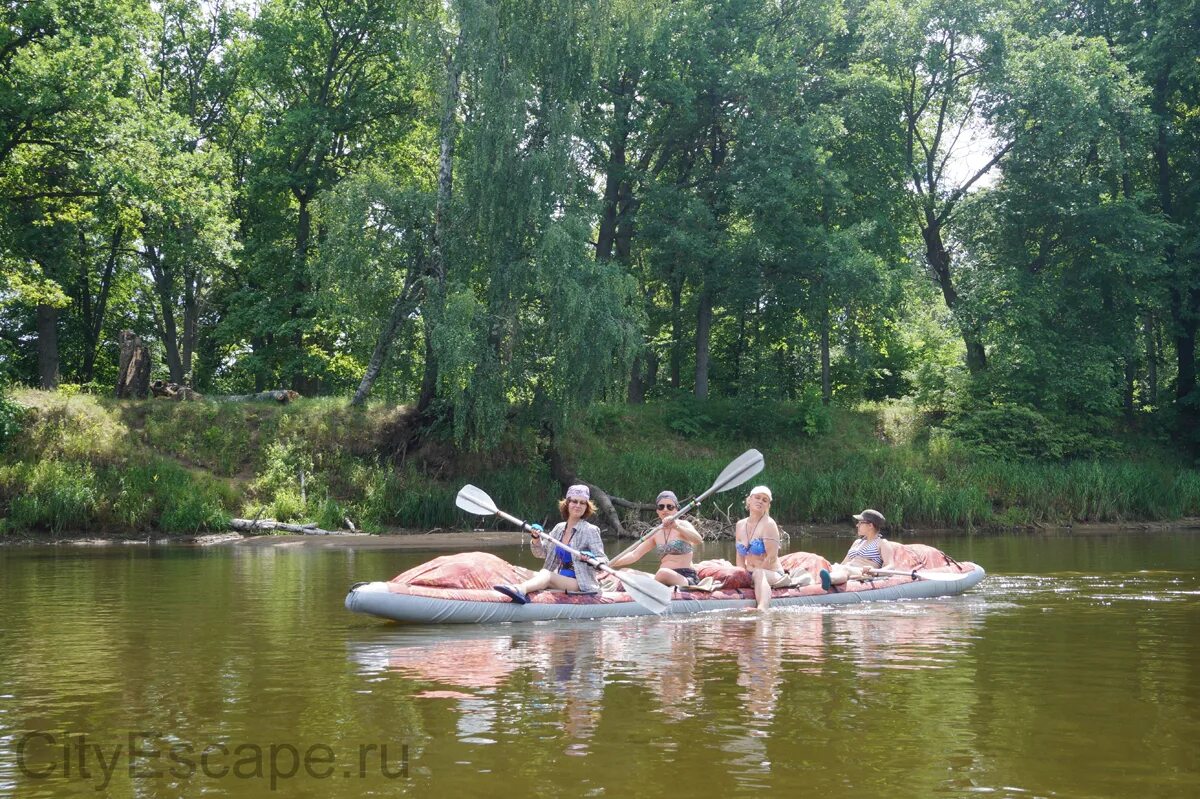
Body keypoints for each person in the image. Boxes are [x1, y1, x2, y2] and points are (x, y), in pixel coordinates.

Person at [493, 484, 608, 604]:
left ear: (586, 506)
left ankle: (520, 590)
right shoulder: (559, 528)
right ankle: (502, 591)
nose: (578, 505)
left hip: (579, 581)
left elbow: (603, 560)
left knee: (546, 574)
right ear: (567, 503)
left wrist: (591, 559)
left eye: (582, 503)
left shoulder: (590, 530)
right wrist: (536, 538)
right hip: (559, 576)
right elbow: (541, 553)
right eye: (574, 501)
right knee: (520, 571)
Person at [608, 490, 704, 587]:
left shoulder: (683, 524)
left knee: (663, 573)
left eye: (670, 507)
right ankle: (652, 585)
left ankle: (651, 585)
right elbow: (634, 555)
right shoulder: (656, 533)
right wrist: (610, 564)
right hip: (661, 577)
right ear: (657, 511)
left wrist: (676, 526)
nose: (665, 510)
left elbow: (698, 540)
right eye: (661, 507)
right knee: (624, 571)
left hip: (684, 577)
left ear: (676, 510)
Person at [735, 485, 789, 611]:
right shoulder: (740, 524)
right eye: (757, 498)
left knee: (759, 574)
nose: (760, 501)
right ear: (749, 500)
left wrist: (753, 576)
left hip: (772, 572)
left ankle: (762, 608)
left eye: (765, 500)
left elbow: (771, 557)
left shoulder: (769, 524)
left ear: (768, 506)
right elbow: (740, 555)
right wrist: (741, 575)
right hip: (749, 572)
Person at [819, 508, 897, 590]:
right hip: (846, 568)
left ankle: (830, 579)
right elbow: (843, 563)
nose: (857, 525)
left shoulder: (882, 543)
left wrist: (875, 571)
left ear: (870, 525)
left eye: (860, 523)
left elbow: (890, 566)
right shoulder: (857, 542)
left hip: (861, 572)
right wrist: (834, 568)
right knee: (833, 566)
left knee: (846, 570)